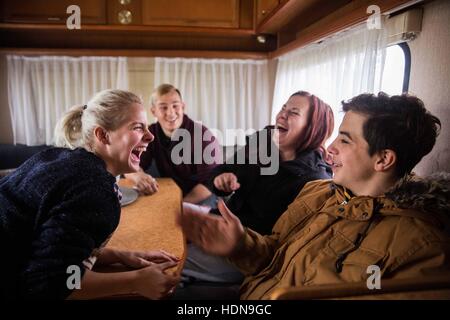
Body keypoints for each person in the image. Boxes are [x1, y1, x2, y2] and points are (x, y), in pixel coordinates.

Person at [180, 92, 450, 300]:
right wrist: (240, 245)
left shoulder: (422, 247)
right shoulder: (317, 195)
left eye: (344, 140)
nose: (330, 148)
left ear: (383, 159)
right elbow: (275, 259)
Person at [0, 89, 180, 300]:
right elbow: (53, 282)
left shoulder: (58, 156)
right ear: (102, 135)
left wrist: (121, 255)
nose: (150, 137)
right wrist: (135, 281)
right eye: (138, 127)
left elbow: (46, 240)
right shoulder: (95, 190)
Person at [178, 91, 334, 290]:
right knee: (163, 234)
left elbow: (284, 250)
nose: (282, 115)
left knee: (172, 262)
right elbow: (222, 170)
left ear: (312, 129)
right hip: (220, 221)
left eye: (293, 112)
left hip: (244, 252)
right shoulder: (263, 141)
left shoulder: (314, 182)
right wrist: (220, 180)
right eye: (283, 108)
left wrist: (236, 241)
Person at [125, 84, 220, 206]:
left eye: (175, 106)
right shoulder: (150, 133)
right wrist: (138, 176)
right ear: (153, 111)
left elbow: (210, 183)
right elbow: (128, 165)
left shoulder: (203, 136)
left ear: (183, 107)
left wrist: (179, 205)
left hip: (201, 196)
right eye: (163, 107)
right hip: (171, 193)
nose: (170, 113)